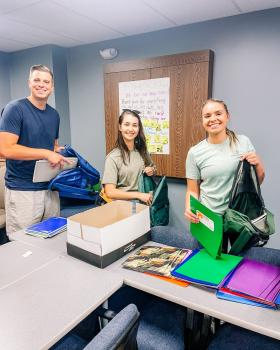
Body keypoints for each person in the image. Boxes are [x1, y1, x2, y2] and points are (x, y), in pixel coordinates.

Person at [0, 64, 69, 235]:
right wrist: (46, 153)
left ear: (52, 87)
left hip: (50, 188)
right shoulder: (15, 109)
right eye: (37, 80)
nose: (41, 84)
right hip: (23, 190)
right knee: (22, 243)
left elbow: (51, 145)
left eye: (46, 82)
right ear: (29, 83)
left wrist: (57, 151)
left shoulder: (54, 115)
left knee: (51, 237)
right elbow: (5, 150)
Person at [184, 98, 265, 224]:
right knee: (206, 245)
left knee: (242, 245)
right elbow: (192, 190)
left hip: (240, 216)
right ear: (202, 120)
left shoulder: (243, 142)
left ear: (227, 116)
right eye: (207, 116)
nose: (213, 119)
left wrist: (258, 163)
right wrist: (190, 207)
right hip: (208, 218)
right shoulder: (194, 152)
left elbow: (257, 181)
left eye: (218, 113)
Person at [102, 109, 156, 205]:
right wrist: (138, 195)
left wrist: (152, 170)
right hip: (125, 208)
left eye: (134, 125)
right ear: (120, 127)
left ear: (138, 128)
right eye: (126, 124)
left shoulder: (142, 151)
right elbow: (110, 192)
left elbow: (152, 168)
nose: (131, 129)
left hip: (145, 204)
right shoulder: (113, 157)